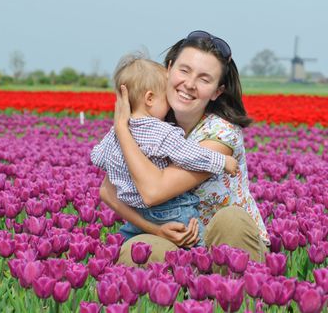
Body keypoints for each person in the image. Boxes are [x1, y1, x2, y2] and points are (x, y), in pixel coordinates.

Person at [99, 30, 269, 265]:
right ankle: (181, 300)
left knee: (230, 220)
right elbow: (108, 191)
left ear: (216, 92)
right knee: (140, 249)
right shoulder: (152, 125)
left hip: (225, 240)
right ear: (168, 69)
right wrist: (154, 230)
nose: (189, 84)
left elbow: (152, 192)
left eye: (204, 79)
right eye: (184, 70)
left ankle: (238, 296)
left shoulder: (221, 134)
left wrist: (121, 129)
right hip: (180, 243)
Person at [91, 53, 238, 246]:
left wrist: (120, 131)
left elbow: (98, 157)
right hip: (172, 212)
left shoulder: (117, 132)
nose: (169, 105)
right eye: (166, 98)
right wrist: (221, 161)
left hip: (136, 216)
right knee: (198, 254)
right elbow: (187, 155)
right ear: (150, 98)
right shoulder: (161, 130)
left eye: (203, 78)